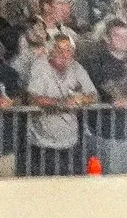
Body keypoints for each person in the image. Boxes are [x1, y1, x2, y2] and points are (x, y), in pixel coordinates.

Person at [24, 31, 99, 174]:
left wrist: (81, 99)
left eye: (69, 50)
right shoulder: (40, 66)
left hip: (70, 141)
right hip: (42, 143)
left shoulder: (76, 67)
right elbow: (32, 98)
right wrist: (61, 103)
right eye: (59, 49)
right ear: (51, 51)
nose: (65, 54)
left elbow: (94, 95)